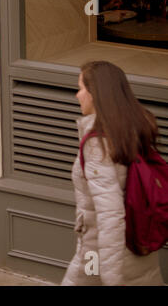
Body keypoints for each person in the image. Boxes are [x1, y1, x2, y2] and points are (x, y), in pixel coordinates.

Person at [61, 61, 164, 286]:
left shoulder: (98, 145)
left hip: (99, 254)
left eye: (80, 88)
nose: (78, 95)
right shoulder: (132, 129)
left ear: (95, 94)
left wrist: (111, 279)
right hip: (139, 248)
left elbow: (110, 217)